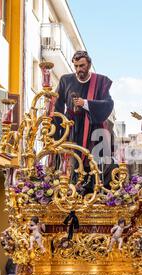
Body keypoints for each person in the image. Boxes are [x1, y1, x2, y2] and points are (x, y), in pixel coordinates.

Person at [53, 51, 115, 193]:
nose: (79, 69)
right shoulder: (65, 80)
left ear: (89, 65)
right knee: (71, 166)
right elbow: (57, 107)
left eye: (82, 66)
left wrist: (85, 103)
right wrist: (56, 135)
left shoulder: (100, 82)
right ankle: (71, 192)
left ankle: (93, 193)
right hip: (72, 130)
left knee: (93, 165)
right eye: (76, 66)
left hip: (93, 130)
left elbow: (108, 104)